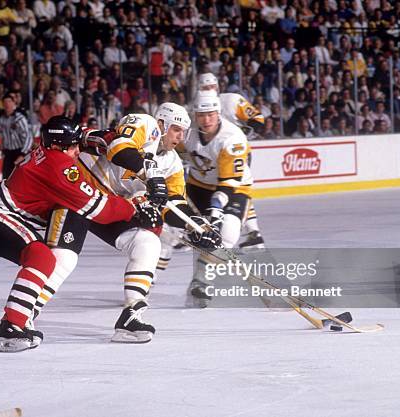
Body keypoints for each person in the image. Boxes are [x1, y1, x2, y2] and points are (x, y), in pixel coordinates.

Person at [0, 116, 162, 352]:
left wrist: (97, 137)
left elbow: (85, 138)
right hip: (1, 219)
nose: (78, 150)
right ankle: (12, 326)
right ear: (62, 146)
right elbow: (98, 208)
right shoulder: (61, 169)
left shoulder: (45, 152)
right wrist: (134, 209)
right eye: (75, 145)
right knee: (43, 258)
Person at [27, 104, 220, 343]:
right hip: (79, 189)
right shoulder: (145, 124)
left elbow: (173, 204)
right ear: (162, 124)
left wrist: (193, 225)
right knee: (65, 258)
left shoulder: (173, 164)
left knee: (148, 242)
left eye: (184, 132)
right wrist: (151, 173)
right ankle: (24, 312)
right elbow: (119, 148)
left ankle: (131, 315)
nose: (181, 137)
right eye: (177, 129)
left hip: (110, 204)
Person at [180, 90, 255, 307]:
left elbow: (229, 183)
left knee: (227, 233)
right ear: (195, 115)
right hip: (198, 187)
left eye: (211, 114)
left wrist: (216, 210)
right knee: (194, 237)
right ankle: (146, 287)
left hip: (235, 188)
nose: (206, 119)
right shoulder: (187, 133)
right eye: (202, 115)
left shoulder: (232, 138)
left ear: (218, 113)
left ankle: (201, 281)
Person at [192, 72, 266, 250]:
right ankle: (251, 231)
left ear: (217, 87)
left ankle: (252, 230)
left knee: (233, 186)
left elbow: (258, 119)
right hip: (211, 155)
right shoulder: (197, 106)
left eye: (211, 87)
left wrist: (242, 135)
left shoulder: (232, 100)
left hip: (233, 152)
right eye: (204, 88)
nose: (209, 90)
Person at [0, 93, 32, 178]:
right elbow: (2, 135)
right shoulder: (1, 119)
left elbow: (28, 136)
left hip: (19, 151)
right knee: (6, 177)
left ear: (14, 103)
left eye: (9, 101)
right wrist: (3, 149)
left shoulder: (19, 118)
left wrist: (22, 154)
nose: (7, 104)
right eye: (5, 102)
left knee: (20, 177)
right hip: (8, 153)